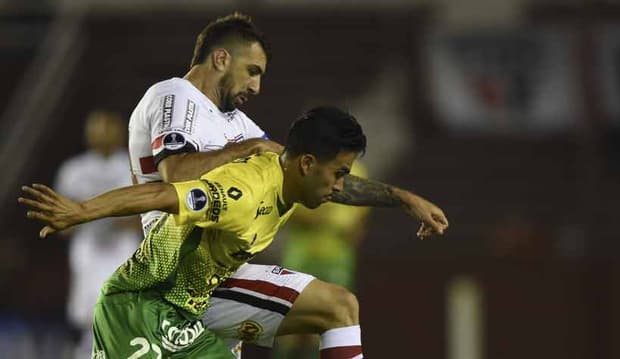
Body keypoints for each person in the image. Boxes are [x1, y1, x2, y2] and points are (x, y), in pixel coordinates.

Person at [127, 12, 449, 357]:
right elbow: (176, 174)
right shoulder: (175, 95)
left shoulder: (236, 124)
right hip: (183, 274)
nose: (256, 87)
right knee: (338, 308)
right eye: (252, 71)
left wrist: (399, 197)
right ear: (221, 58)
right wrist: (247, 148)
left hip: (211, 275)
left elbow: (310, 174)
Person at [22, 106, 426, 358]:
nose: (340, 186)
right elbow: (164, 194)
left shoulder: (290, 171)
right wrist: (81, 210)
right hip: (141, 306)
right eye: (338, 174)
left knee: (340, 307)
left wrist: (404, 199)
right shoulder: (243, 193)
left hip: (196, 302)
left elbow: (345, 188)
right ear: (306, 164)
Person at [53, 110, 141, 358]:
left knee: (120, 314)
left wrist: (115, 217)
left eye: (107, 127)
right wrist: (76, 221)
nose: (101, 134)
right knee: (87, 317)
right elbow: (60, 223)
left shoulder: (132, 166)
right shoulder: (74, 170)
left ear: (119, 132)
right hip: (88, 249)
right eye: (96, 128)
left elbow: (148, 218)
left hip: (122, 249)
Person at [274, 160, 370, 359]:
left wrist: (352, 232)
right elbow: (285, 208)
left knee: (329, 322)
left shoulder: (358, 172)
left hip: (337, 258)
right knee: (290, 323)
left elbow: (361, 218)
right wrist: (318, 220)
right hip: (301, 256)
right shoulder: (307, 165)